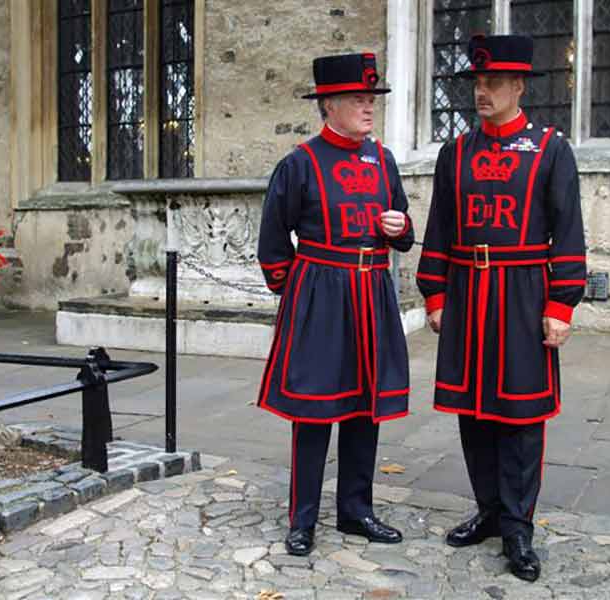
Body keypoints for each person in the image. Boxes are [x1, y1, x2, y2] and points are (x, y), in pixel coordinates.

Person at [416, 34, 586, 582]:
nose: (481, 92)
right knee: (474, 411)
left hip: (522, 295)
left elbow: (567, 230)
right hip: (467, 292)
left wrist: (562, 304)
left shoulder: (550, 149)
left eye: (492, 83)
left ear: (518, 86)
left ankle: (518, 527)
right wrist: (436, 292)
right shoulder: (455, 153)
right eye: (477, 83)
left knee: (520, 416)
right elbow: (440, 224)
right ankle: (489, 510)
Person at [257, 52, 414, 557]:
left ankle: (356, 510)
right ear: (328, 105)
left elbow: (404, 229)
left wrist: (401, 230)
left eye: (371, 100)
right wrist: (296, 294)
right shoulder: (299, 164)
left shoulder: (382, 160)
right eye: (358, 100)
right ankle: (302, 519)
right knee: (315, 410)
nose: (369, 108)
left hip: (372, 294)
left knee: (365, 407)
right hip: (321, 296)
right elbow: (273, 239)